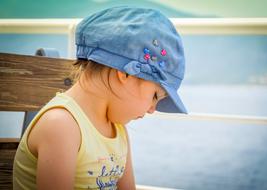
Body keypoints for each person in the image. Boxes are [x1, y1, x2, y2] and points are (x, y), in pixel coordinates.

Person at [13, 6, 188, 190]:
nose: (152, 109)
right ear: (125, 74)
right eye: (154, 96)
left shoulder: (118, 130)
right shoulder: (61, 126)